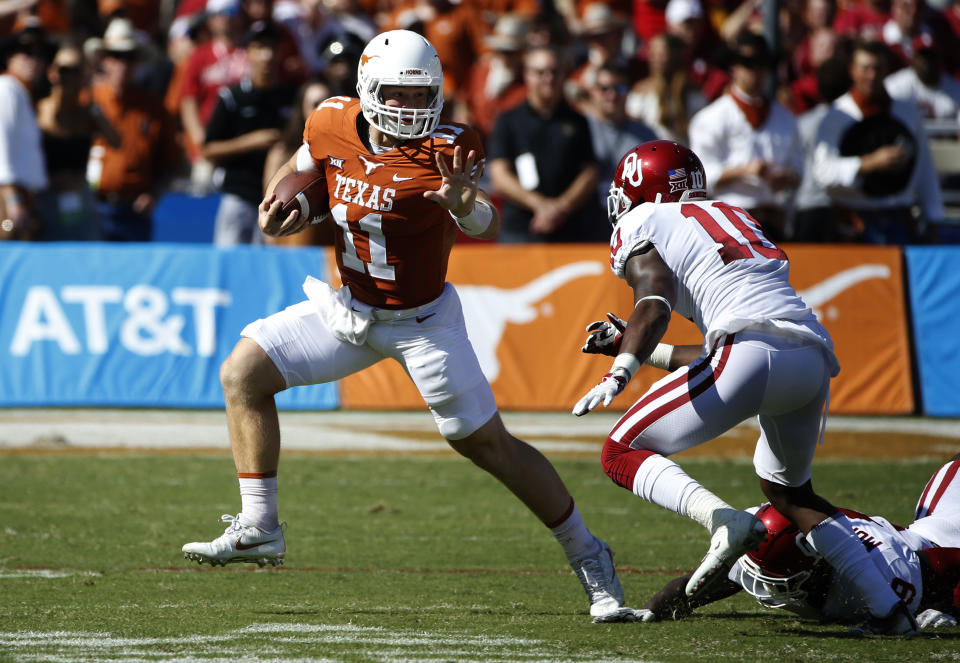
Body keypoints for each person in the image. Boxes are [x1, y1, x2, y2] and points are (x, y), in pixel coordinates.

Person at [181, 29, 633, 624]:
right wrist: (289, 206)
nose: (409, 108)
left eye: (420, 96)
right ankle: (260, 525)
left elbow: (484, 218)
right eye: (395, 94)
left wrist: (461, 202)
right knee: (243, 372)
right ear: (367, 89)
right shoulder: (331, 121)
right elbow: (306, 172)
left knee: (486, 445)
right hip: (350, 311)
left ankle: (589, 553)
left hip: (423, 323)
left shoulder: (449, 147)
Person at [572, 139, 918, 635]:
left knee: (620, 449)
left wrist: (622, 368)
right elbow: (725, 348)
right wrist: (638, 349)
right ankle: (891, 613)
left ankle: (722, 520)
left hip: (748, 350)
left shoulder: (641, 220)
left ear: (646, 192)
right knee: (790, 491)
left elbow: (655, 297)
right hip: (809, 355)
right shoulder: (734, 213)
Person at [633, 456, 960, 631]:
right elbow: (694, 590)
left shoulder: (884, 571)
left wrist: (948, 608)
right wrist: (648, 611)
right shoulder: (758, 535)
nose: (769, 590)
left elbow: (949, 565)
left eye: (782, 583)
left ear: (819, 563)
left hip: (943, 535)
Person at [811, 39, 944, 244]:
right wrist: (869, 163)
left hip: (899, 219)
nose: (872, 76)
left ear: (887, 70)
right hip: (853, 221)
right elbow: (823, 172)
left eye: (878, 68)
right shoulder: (837, 116)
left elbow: (925, 171)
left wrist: (933, 219)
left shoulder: (908, 114)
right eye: (865, 69)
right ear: (853, 71)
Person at [688, 31, 804, 242]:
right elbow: (700, 177)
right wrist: (744, 171)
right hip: (731, 220)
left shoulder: (785, 118)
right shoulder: (711, 117)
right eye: (747, 63)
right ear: (733, 67)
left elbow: (799, 169)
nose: (755, 71)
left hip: (774, 220)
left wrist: (786, 177)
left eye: (761, 64)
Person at [487, 44, 604, 243]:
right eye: (540, 72)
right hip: (520, 231)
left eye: (554, 72)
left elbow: (590, 172)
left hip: (569, 231)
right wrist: (540, 205)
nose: (548, 79)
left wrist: (560, 207)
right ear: (527, 75)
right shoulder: (508, 120)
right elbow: (499, 174)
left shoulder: (578, 121)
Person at [87, 17, 179, 241]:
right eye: (116, 56)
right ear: (104, 61)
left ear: (137, 62)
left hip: (135, 210)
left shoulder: (154, 109)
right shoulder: (87, 100)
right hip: (92, 206)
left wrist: (154, 194)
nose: (123, 64)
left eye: (129, 57)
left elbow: (172, 163)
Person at [204, 22, 295, 245]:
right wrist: (252, 141)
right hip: (239, 194)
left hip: (278, 200)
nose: (267, 55)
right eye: (260, 47)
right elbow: (208, 149)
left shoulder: (291, 97)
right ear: (248, 53)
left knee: (270, 266)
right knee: (229, 261)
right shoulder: (232, 98)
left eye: (273, 48)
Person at [35, 42, 120, 241]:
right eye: (64, 70)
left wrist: (92, 100)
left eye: (76, 70)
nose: (69, 76)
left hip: (80, 196)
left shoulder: (88, 113)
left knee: (85, 250)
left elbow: (116, 141)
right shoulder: (39, 110)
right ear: (52, 72)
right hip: (47, 197)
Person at [584, 62, 657, 209]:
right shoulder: (581, 128)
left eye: (620, 88)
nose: (612, 95)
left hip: (631, 216)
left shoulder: (645, 135)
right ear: (593, 92)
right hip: (586, 218)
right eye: (605, 89)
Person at [0, 26, 49, 241]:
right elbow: (1, 144)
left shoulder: (22, 91)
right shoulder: (7, 88)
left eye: (39, 55)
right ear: (10, 57)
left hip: (22, 194)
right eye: (27, 54)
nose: (34, 61)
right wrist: (12, 199)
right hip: (8, 196)